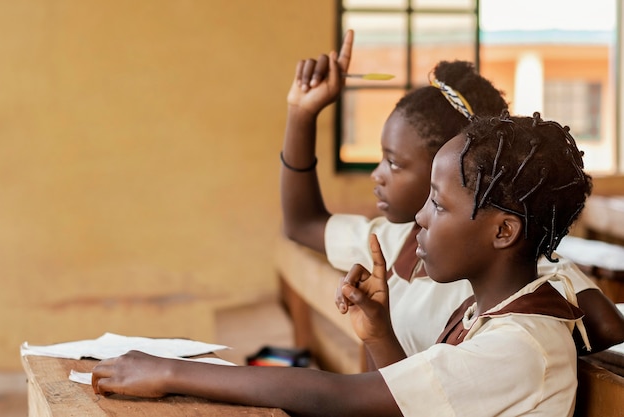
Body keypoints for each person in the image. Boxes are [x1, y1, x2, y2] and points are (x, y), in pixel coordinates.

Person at [92, 112, 591, 416]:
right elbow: (416, 405)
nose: (419, 215)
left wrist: (173, 373)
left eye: (438, 205)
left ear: (504, 231)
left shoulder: (522, 346)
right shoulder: (484, 314)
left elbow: (342, 398)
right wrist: (379, 333)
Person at [281, 29, 624, 357]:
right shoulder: (388, 241)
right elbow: (301, 224)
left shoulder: (501, 266)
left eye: (394, 163)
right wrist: (301, 113)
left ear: (447, 164)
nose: (377, 174)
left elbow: (608, 327)